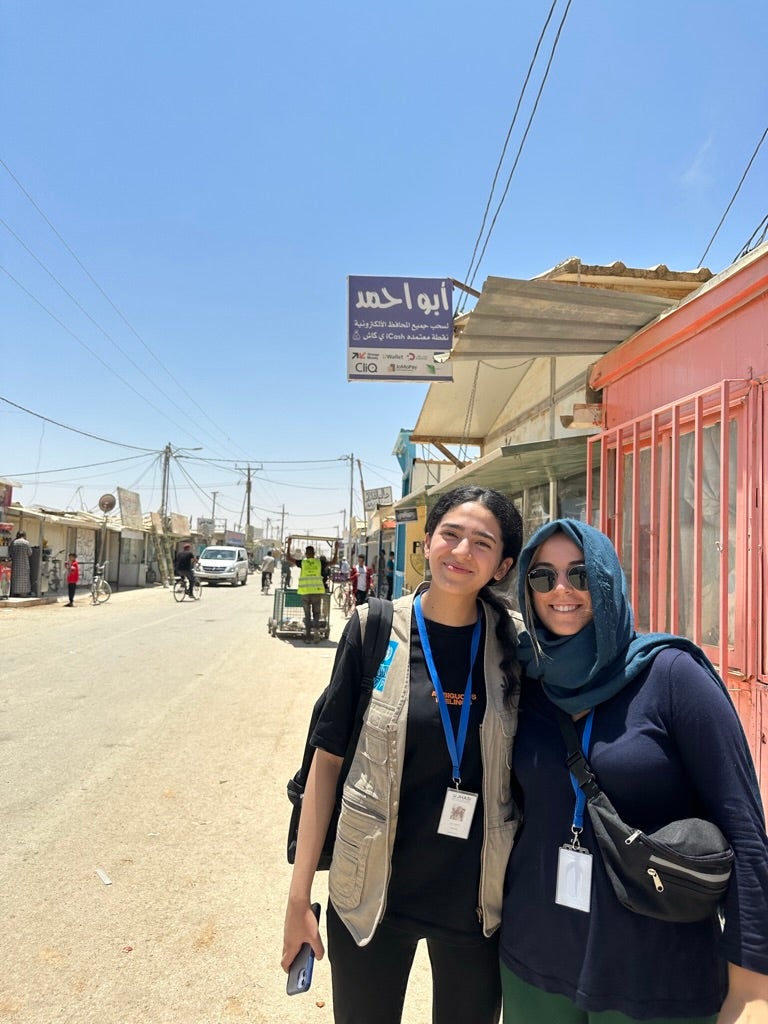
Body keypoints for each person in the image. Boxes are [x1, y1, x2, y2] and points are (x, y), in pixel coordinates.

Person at [499, 519, 768, 1024]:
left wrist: (753, 985)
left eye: (580, 574)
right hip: (536, 960)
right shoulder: (527, 681)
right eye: (543, 577)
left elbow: (746, 831)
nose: (562, 589)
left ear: (606, 580)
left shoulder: (671, 676)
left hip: (657, 972)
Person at [282, 486, 524, 1024]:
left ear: (503, 564)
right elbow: (325, 766)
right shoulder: (373, 629)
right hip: (370, 898)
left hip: (478, 906)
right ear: (429, 540)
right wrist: (299, 900)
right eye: (451, 534)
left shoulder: (515, 647)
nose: (461, 552)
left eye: (482, 543)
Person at [286, 542, 326, 643]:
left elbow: (288, 558)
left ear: (306, 554)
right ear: (314, 553)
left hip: (306, 593)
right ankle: (316, 633)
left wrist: (289, 545)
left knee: (307, 616)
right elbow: (334, 561)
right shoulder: (319, 562)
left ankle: (308, 637)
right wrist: (336, 548)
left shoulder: (302, 563)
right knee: (316, 614)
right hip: (317, 592)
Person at [10, 530, 33, 597]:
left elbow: (10, 553)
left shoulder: (13, 542)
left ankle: (14, 592)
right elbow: (30, 553)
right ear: (24, 535)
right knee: (24, 579)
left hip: (15, 564)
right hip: (24, 564)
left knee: (14, 578)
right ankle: (23, 593)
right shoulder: (26, 543)